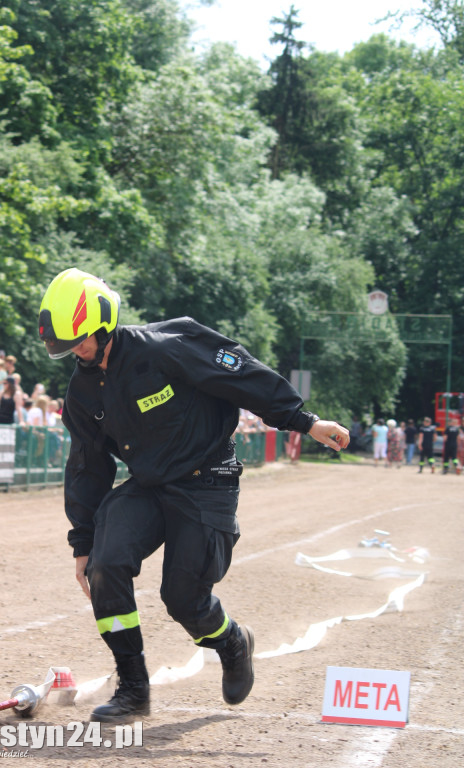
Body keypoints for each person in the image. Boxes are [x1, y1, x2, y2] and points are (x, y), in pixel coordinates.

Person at [38, 268, 350, 724]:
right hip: (150, 486)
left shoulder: (170, 345)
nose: (76, 352)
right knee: (105, 567)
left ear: (104, 325)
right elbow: (87, 466)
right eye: (68, 347)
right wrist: (83, 544)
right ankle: (133, 689)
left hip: (207, 481)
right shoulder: (82, 391)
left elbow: (244, 375)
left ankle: (231, 642)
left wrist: (305, 421)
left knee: (183, 599)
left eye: (81, 340)